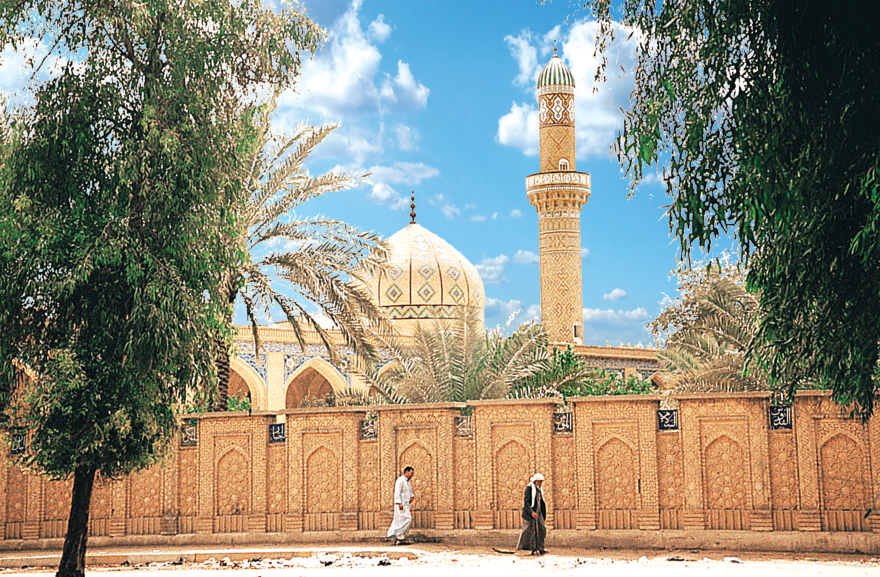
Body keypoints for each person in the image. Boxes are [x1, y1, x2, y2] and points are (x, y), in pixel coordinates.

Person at [516, 473, 547, 555]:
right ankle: (525, 548)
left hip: (538, 512)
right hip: (529, 513)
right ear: (535, 481)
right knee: (528, 530)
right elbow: (526, 502)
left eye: (541, 482)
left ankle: (540, 548)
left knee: (541, 528)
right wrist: (531, 512)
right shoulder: (529, 488)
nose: (540, 483)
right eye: (539, 482)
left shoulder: (539, 489)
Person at [386, 466, 415, 545]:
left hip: (406, 504)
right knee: (404, 520)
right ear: (406, 472)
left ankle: (400, 537)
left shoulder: (407, 482)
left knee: (405, 520)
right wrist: (399, 503)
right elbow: (397, 492)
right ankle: (395, 535)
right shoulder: (400, 480)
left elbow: (409, 491)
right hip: (400, 505)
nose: (412, 475)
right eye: (411, 473)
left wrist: (412, 497)